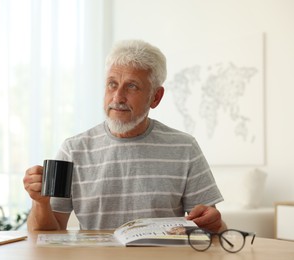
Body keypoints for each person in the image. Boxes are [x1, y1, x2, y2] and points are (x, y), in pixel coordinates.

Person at [23, 39, 227, 233]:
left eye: (132, 86)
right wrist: (40, 202)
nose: (117, 97)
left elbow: (212, 230)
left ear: (155, 97)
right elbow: (48, 235)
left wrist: (214, 224)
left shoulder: (185, 148)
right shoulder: (73, 150)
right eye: (112, 84)